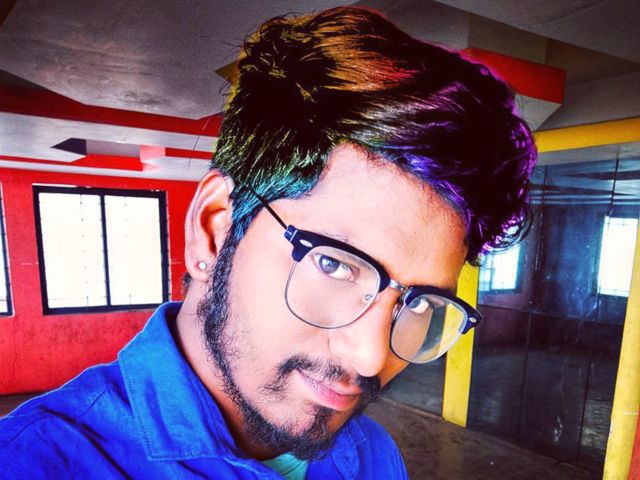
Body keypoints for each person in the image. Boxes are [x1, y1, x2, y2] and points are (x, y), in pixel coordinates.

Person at [0, 6, 536, 479]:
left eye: (418, 303)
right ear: (212, 230)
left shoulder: (372, 457)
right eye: (335, 265)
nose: (371, 357)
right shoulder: (31, 464)